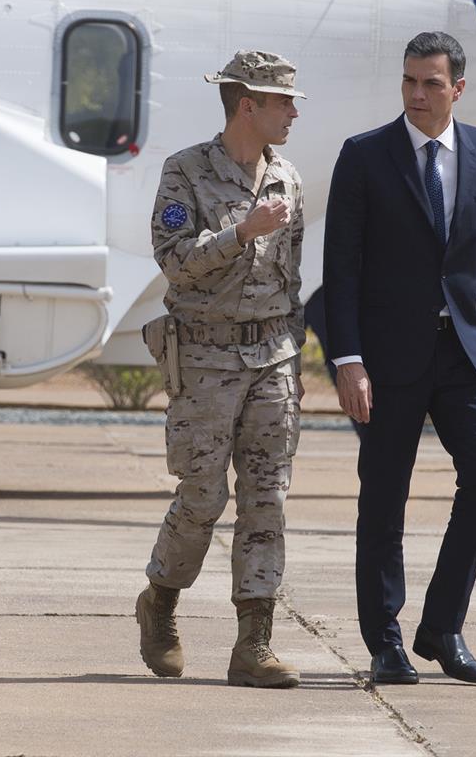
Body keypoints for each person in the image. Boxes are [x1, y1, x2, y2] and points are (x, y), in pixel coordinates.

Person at [323, 31, 476, 685]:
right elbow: (340, 269)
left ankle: (442, 627)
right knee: (383, 498)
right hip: (384, 359)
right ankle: (385, 640)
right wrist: (347, 358)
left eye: (431, 83)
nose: (417, 94)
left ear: (457, 88)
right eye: (409, 81)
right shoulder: (365, 156)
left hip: (466, 352)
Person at [135, 50, 306, 689]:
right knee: (203, 496)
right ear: (247, 106)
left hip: (273, 358)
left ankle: (253, 646)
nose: (293, 113)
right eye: (283, 102)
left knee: (268, 501)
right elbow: (174, 261)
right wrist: (240, 232)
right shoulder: (184, 172)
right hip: (204, 356)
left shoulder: (287, 175)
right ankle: (161, 602)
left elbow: (291, 274)